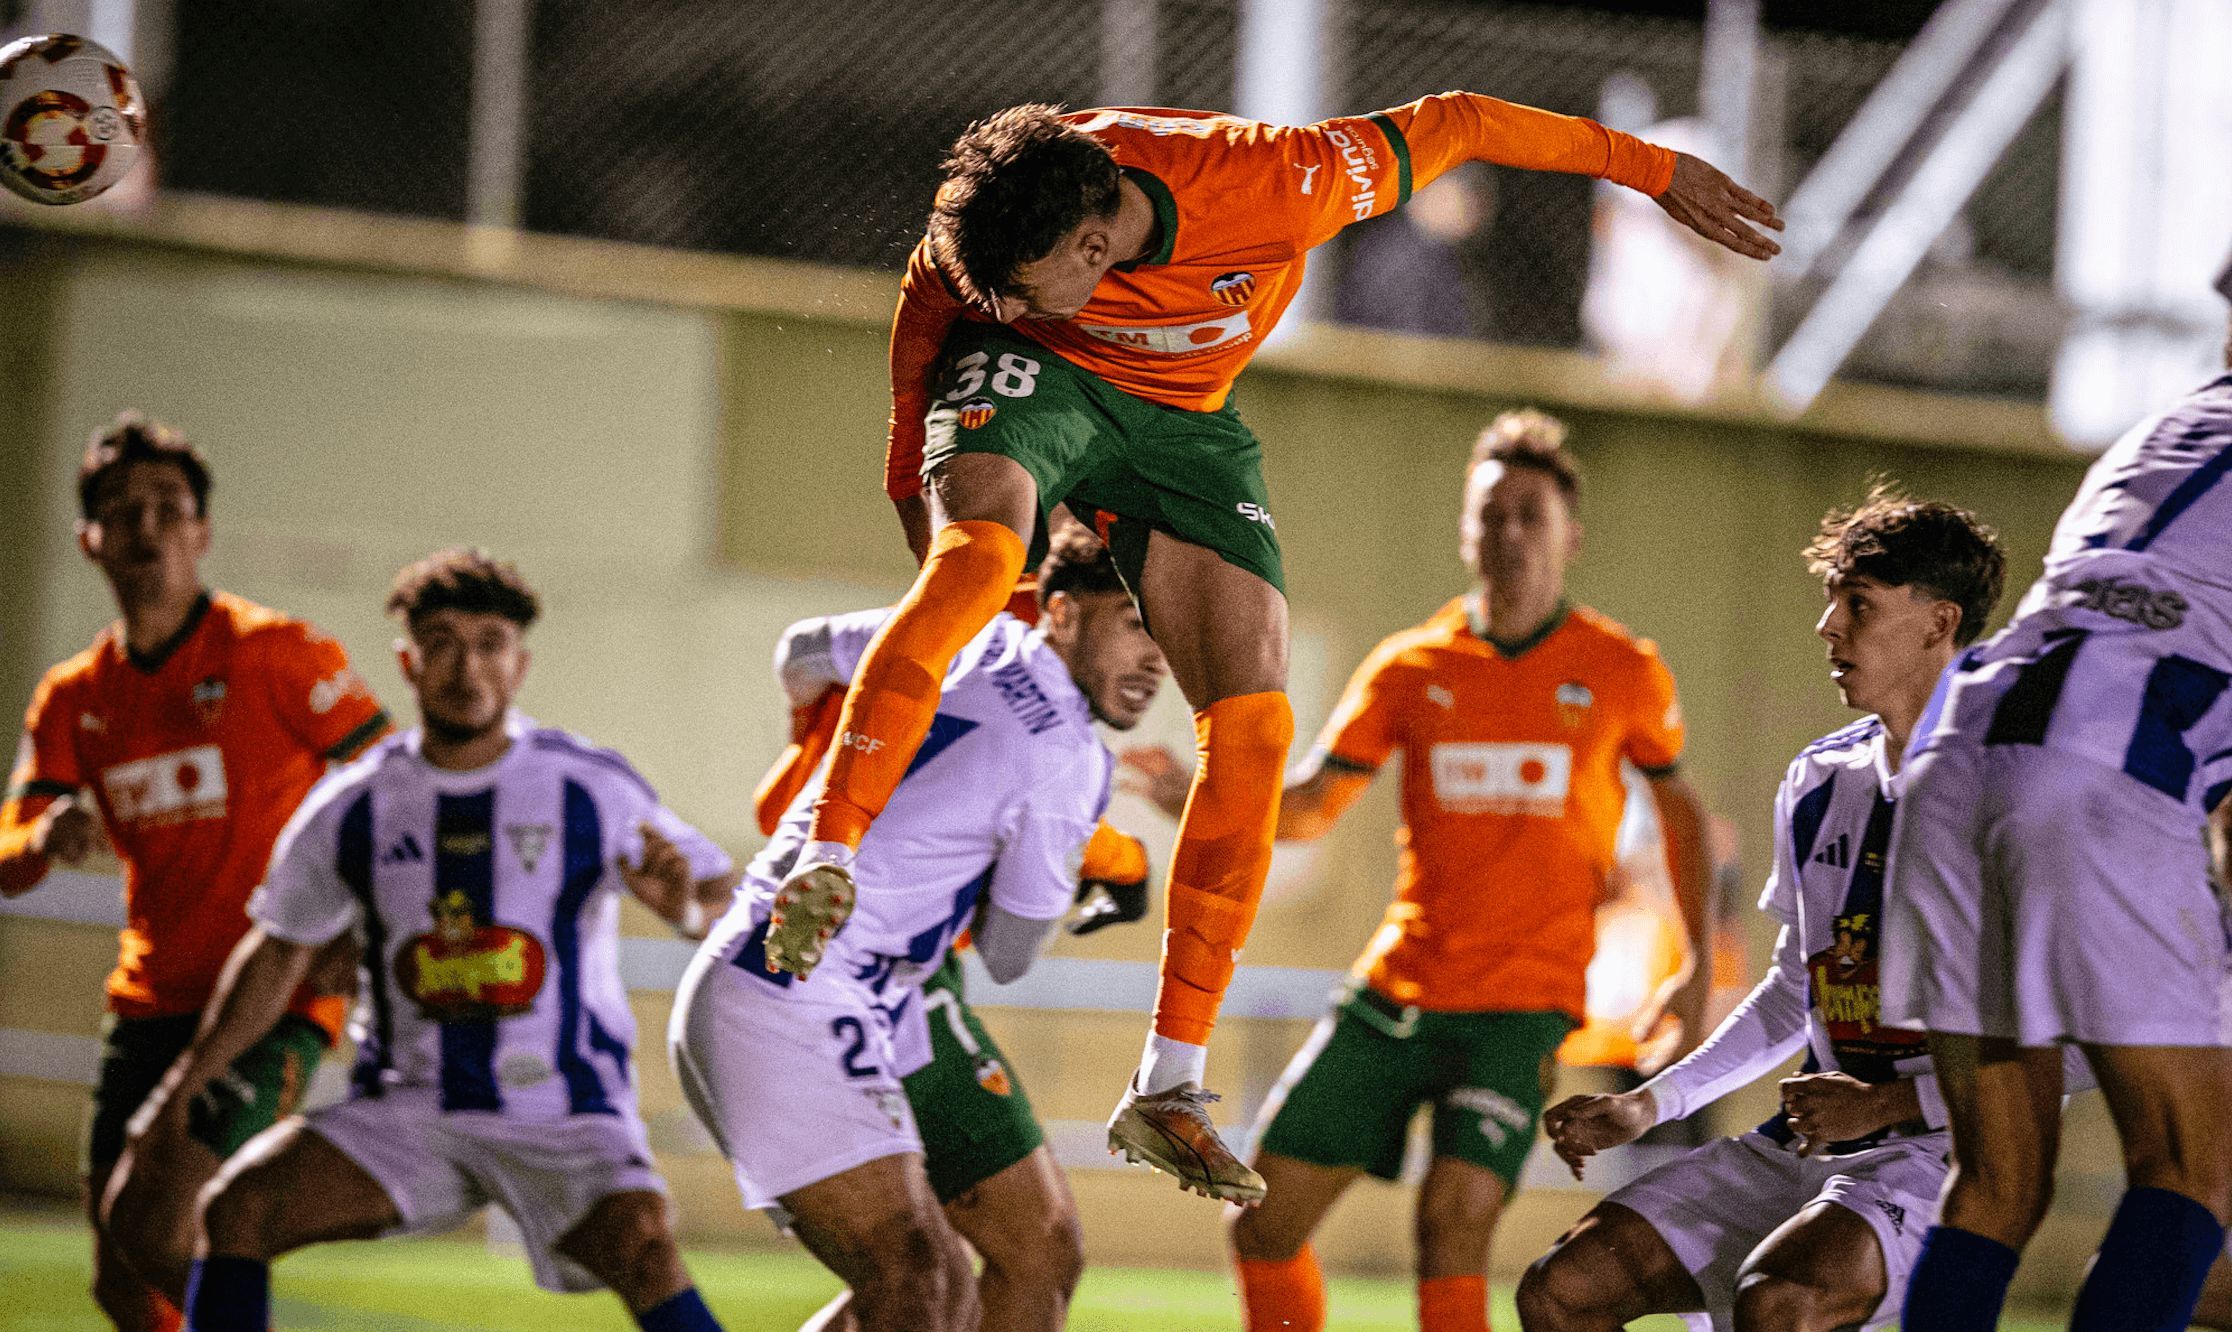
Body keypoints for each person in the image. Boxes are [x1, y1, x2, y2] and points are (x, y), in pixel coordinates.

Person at [764, 92, 1782, 1200]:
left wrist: (1650, 171)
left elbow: (1465, 122)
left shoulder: (1275, 180)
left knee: (1254, 723)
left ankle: (1168, 1083)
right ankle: (831, 851)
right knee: (974, 566)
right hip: (1043, 393)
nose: (994, 303)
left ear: (1097, 247)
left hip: (1184, 422)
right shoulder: (998, 228)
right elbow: (921, 368)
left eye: (1015, 289)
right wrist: (946, 560)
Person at [1123, 410, 1708, 1332]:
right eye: (1492, 514)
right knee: (1262, 1225)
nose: (1509, 533)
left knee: (1454, 1224)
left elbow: (1684, 817)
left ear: (1570, 537)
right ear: (1465, 529)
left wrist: (1699, 966)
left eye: (1530, 515)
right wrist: (1199, 796)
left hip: (1523, 1008)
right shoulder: (1410, 666)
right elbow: (1313, 804)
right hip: (1399, 989)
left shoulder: (1621, 670)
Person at [126, 548, 737, 1332]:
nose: (466, 666)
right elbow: (279, 948)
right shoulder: (353, 804)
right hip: (407, 1111)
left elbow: (717, 899)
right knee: (236, 1208)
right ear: (408, 663)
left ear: (519, 665)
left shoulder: (589, 786)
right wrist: (180, 1088)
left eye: (489, 643)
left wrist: (686, 912)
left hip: (564, 1109)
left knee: (644, 1245)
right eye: (443, 642)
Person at [1517, 489, 2008, 1332]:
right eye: (1832, 602)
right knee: (1560, 1291)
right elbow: (1796, 992)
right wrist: (1651, 1103)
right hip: (1806, 1143)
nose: (1828, 626)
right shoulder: (1821, 781)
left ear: (1939, 623)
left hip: (1948, 1156)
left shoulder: (2016, 792)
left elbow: (2072, 1044)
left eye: (1859, 605)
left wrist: (1885, 1107)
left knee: (1780, 1302)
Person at [671, 530, 1167, 1332]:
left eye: (1165, 635)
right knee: (921, 1281)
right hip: (796, 992)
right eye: (1135, 624)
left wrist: (817, 757)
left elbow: (801, 652)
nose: (1157, 660)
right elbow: (1008, 956)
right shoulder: (1070, 762)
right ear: (1064, 611)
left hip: (839, 978)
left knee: (1027, 1254)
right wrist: (1069, 872)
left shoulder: (962, 628)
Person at [1879, 250, 2232, 1331]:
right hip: (2101, 763)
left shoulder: (2161, 435)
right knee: (2190, 1165)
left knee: (1994, 1184)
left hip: (1955, 757)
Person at [0, 415, 391, 1332]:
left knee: (166, 1225)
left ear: (203, 532)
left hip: (268, 996)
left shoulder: (276, 653)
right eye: (120, 509)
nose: (147, 528)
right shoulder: (75, 696)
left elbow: (399, 785)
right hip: (150, 1001)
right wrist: (40, 839)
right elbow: (9, 849)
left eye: (169, 508)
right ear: (88, 538)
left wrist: (358, 929)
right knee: (122, 1280)